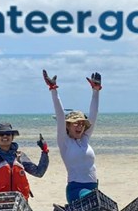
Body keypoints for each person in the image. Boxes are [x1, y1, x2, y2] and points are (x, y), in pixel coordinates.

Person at [43, 69, 102, 203]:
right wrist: (53, 90)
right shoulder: (65, 142)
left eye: (82, 123)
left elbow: (94, 114)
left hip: (93, 187)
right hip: (77, 189)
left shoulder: (85, 139)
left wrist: (96, 91)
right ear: (67, 126)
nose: (80, 126)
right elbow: (60, 115)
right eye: (75, 123)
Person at [0, 122, 49, 199]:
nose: (5, 136)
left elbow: (39, 173)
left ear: (12, 137)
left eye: (8, 134)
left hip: (19, 204)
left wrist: (44, 151)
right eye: (1, 134)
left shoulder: (20, 157)